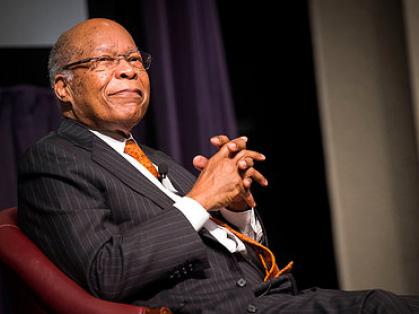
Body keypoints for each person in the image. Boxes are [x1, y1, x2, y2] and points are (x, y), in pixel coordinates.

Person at [18, 18, 419, 314]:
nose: (128, 69)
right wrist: (202, 196)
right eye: (105, 60)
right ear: (63, 87)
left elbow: (218, 238)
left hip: (273, 298)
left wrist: (237, 209)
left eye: (135, 59)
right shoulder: (54, 159)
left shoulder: (156, 159)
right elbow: (107, 272)